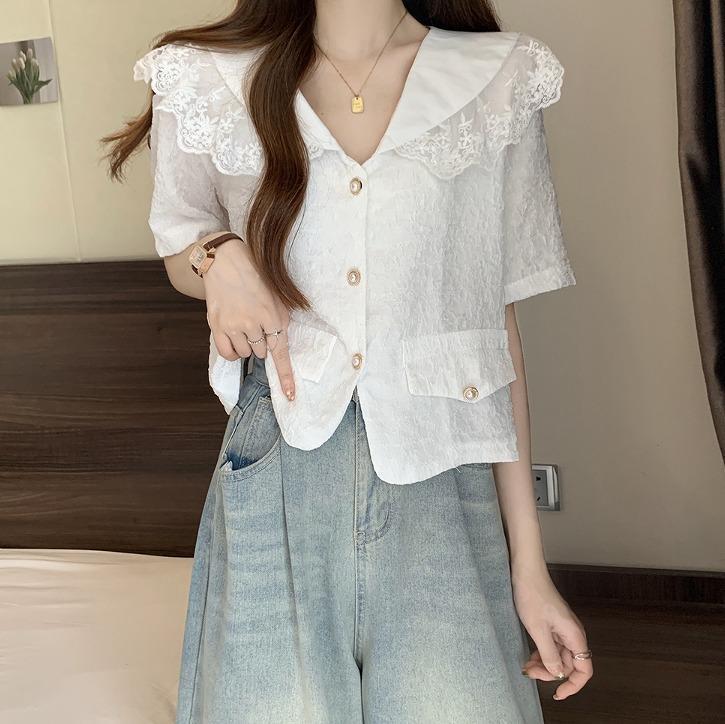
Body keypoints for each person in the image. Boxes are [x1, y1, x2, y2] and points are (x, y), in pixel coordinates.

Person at [103, 0, 593, 721]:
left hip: (443, 486)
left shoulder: (497, 77)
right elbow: (182, 239)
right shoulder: (206, 78)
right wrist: (219, 256)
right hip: (277, 468)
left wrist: (530, 567)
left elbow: (494, 327)